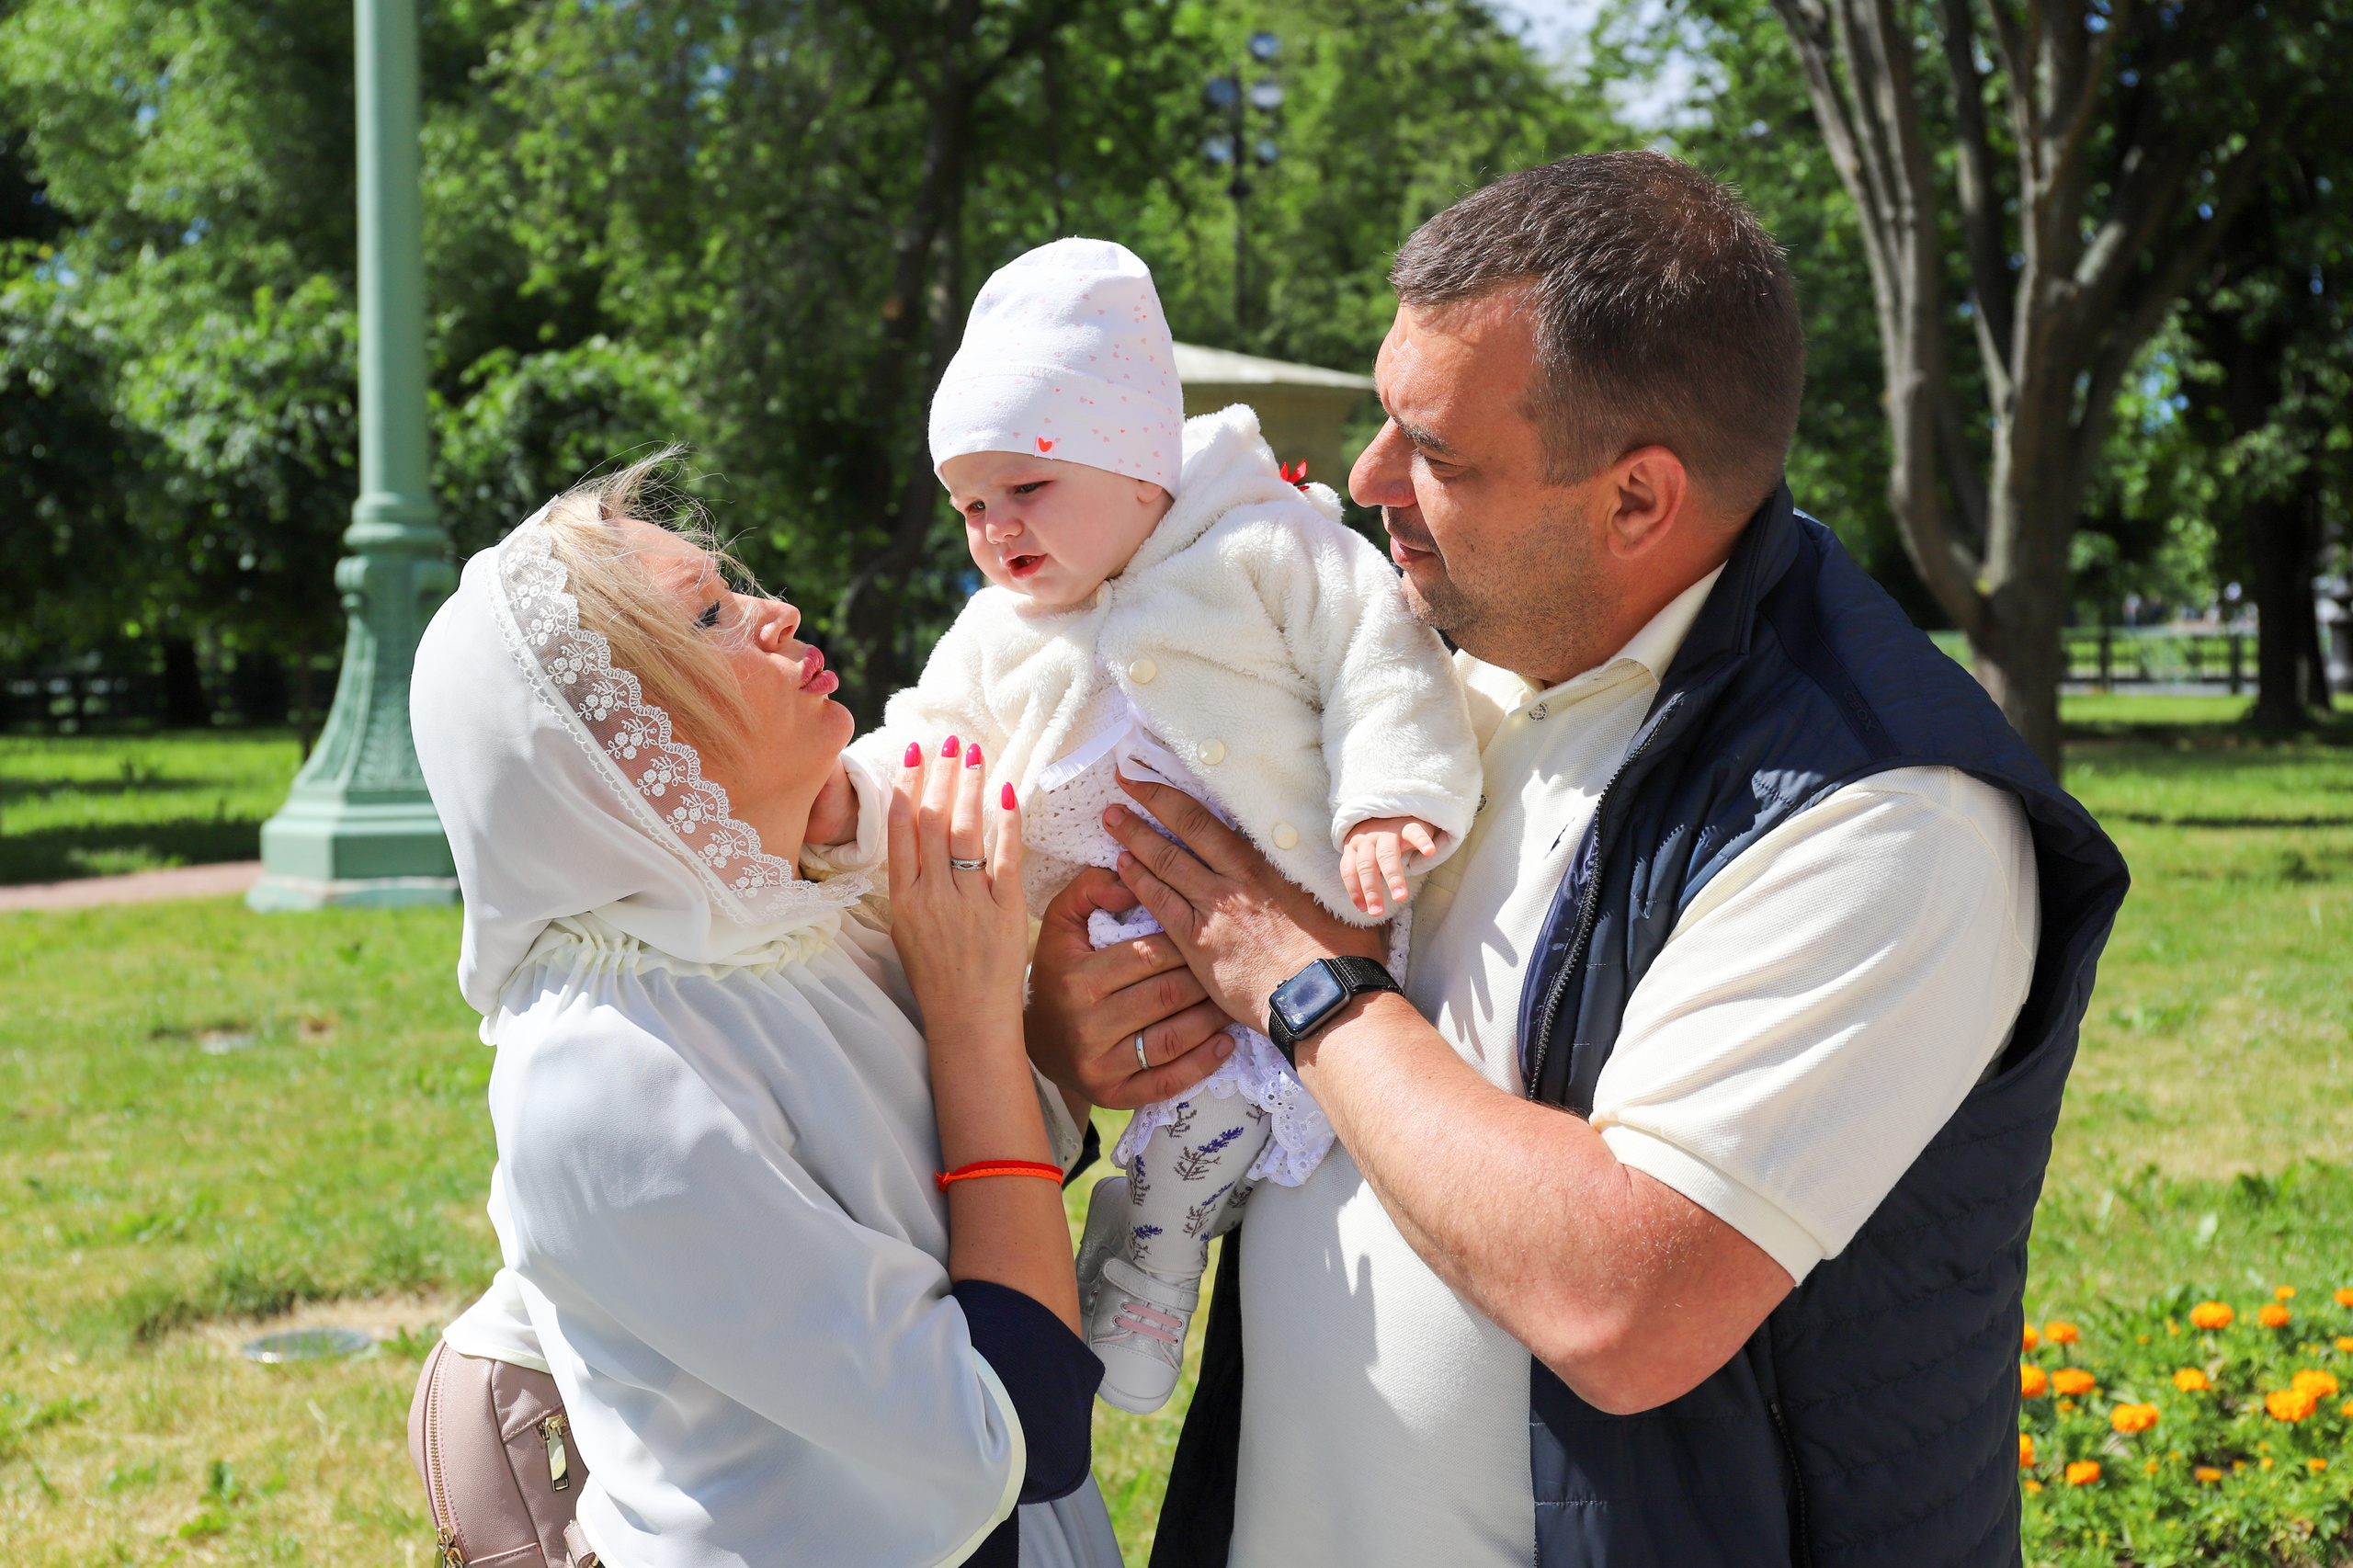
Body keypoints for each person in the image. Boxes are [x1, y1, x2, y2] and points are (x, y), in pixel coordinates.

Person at [1024, 153, 2132, 1567]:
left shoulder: (1885, 811)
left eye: (1436, 452)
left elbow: (1629, 1302)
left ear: (1635, 501)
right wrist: (1077, 1037)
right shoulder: (1420, 659)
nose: (1368, 483)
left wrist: (1307, 988)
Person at [802, 238, 1480, 1414]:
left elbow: (1380, 659)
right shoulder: (996, 631)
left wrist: (1388, 794)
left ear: (1135, 467)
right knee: (1184, 1082)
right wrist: (846, 804)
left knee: (1217, 1112)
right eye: (970, 505)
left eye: (1027, 488)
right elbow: (930, 745)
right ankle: (1142, 1260)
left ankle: (1150, 1266)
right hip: (1117, 938)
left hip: (1293, 902)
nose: (995, 529)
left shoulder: (1266, 545)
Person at [407, 460, 1121, 1568]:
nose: (774, 611)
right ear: (617, 749)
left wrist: (1053, 1054)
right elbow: (1020, 1419)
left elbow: (939, 1209)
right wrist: (979, 1019)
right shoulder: (604, 1069)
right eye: (709, 614)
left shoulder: (784, 919)